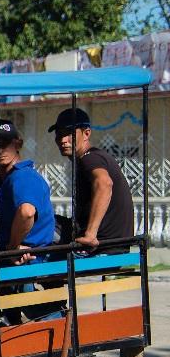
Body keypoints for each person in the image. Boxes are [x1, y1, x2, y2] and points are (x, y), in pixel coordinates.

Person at [49, 108, 134, 253]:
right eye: (59, 135)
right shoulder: (88, 159)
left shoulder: (90, 157)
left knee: (37, 225)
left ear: (86, 134)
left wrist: (90, 235)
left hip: (104, 243)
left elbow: (104, 183)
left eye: (69, 134)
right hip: (109, 240)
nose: (63, 140)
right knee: (44, 219)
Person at [0, 119, 55, 264]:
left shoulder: (22, 175)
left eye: (5, 143)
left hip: (27, 261)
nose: (0, 149)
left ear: (18, 145)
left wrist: (13, 247)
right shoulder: (2, 179)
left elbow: (27, 212)